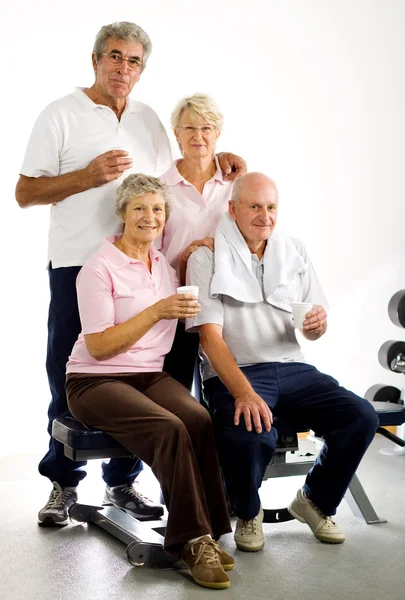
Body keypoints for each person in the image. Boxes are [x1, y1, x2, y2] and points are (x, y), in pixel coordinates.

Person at [15, 21, 246, 527]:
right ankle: (62, 484)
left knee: (148, 375)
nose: (124, 68)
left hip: (145, 264)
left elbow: (174, 178)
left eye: (134, 61)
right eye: (115, 57)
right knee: (72, 375)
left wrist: (220, 156)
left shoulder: (146, 120)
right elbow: (25, 192)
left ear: (143, 70)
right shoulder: (60, 114)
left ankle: (122, 482)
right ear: (96, 59)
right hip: (80, 262)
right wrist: (87, 177)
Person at [185, 172, 379, 552]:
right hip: (238, 373)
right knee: (248, 435)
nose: (265, 215)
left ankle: (313, 501)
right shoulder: (206, 256)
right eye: (254, 206)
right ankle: (247, 512)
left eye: (271, 207)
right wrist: (243, 392)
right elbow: (208, 337)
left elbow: (311, 329)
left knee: (360, 417)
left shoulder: (294, 250)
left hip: (294, 368)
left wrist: (317, 326)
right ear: (233, 209)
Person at [66, 173, 234, 589]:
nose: (149, 216)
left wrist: (194, 256)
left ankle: (210, 531)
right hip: (94, 380)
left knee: (197, 418)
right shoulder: (98, 267)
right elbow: (101, 347)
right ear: (122, 213)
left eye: (157, 208)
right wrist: (157, 311)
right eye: (139, 207)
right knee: (168, 427)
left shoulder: (160, 263)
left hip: (147, 375)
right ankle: (191, 541)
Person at [159, 93, 234, 390]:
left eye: (206, 128)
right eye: (189, 128)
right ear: (176, 133)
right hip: (176, 303)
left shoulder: (235, 184)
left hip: (225, 305)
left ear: (217, 133)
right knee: (175, 393)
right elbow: (149, 253)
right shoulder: (160, 187)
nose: (198, 136)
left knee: (223, 396)